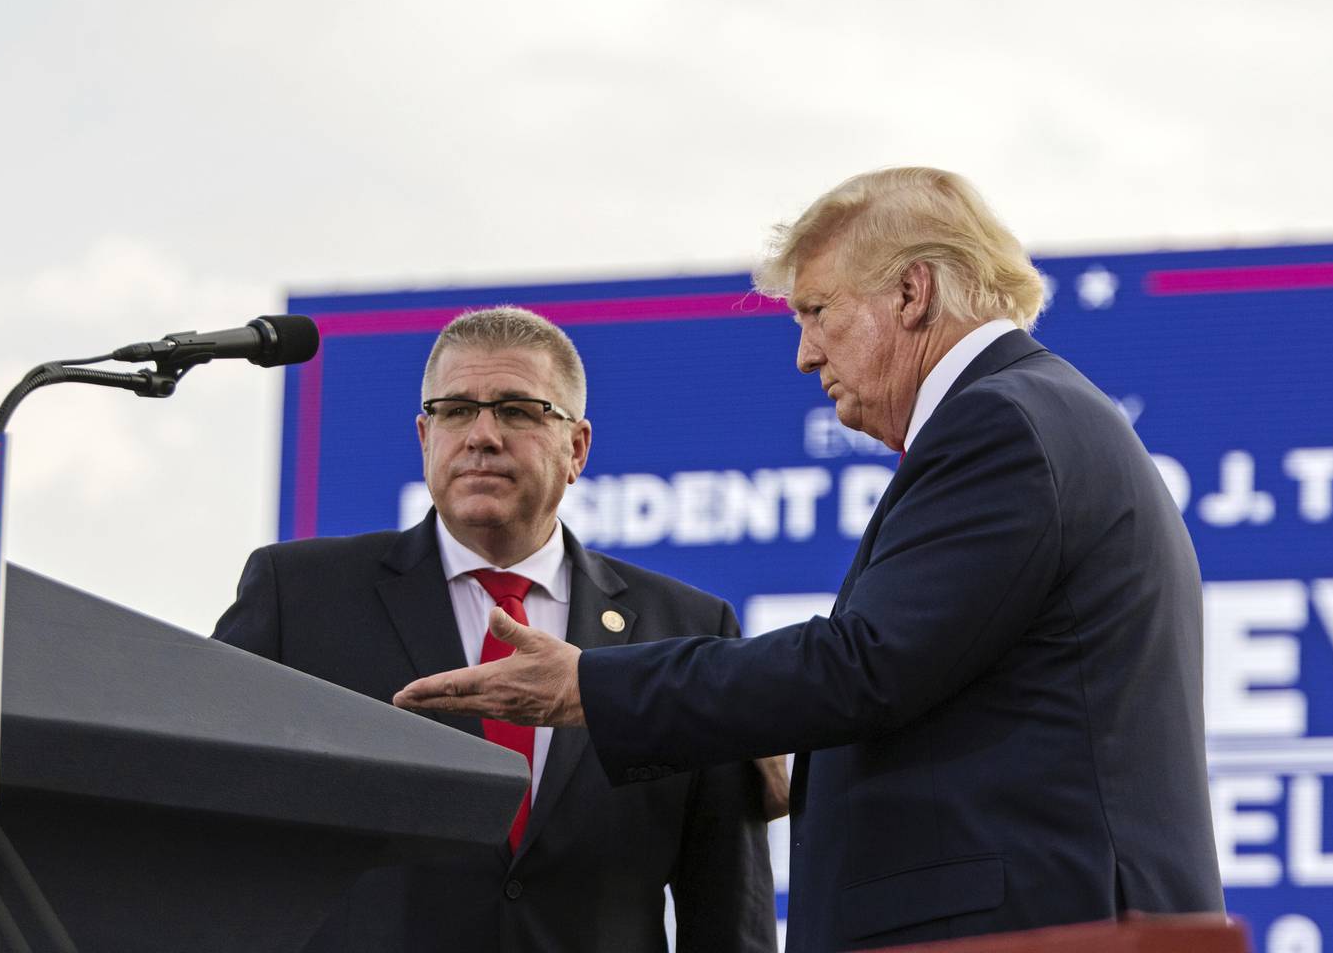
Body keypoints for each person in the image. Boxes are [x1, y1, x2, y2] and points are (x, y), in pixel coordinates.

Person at [395, 168, 1226, 951]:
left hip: (1031, 925)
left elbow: (865, 666)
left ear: (912, 292)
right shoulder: (1043, 412)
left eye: (819, 311)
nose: (804, 353)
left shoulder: (1001, 425)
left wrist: (591, 685)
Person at [213, 306, 778, 953]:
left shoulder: (687, 630)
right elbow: (212, 831)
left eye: (518, 410)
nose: (482, 434)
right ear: (424, 436)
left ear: (577, 448)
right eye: (455, 411)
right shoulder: (299, 597)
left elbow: (728, 904)